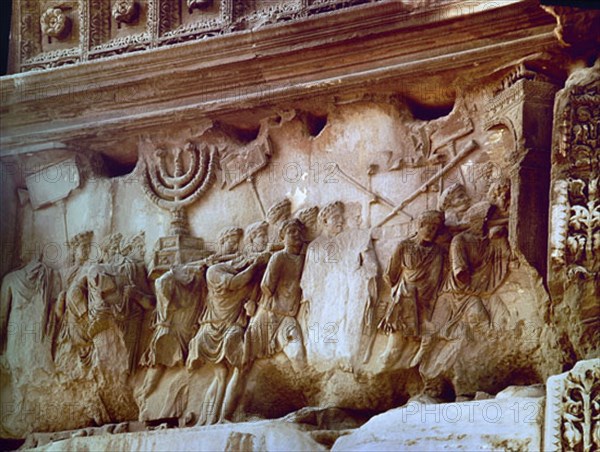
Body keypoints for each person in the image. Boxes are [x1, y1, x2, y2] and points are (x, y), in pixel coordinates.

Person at [186, 227, 269, 425]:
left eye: (236, 242)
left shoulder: (236, 266)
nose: (234, 245)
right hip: (212, 330)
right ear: (221, 244)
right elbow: (235, 282)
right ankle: (213, 419)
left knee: (229, 372)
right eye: (230, 242)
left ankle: (216, 418)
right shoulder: (215, 271)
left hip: (231, 326)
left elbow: (249, 289)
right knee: (221, 374)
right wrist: (255, 265)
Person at [378, 211, 445, 370]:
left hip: (423, 300)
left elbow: (434, 281)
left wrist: (423, 302)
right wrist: (396, 294)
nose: (431, 231)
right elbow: (390, 274)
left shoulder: (436, 252)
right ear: (420, 226)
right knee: (392, 351)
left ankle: (415, 362)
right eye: (428, 227)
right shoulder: (404, 246)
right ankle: (381, 374)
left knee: (426, 335)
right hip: (403, 300)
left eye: (435, 228)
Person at [244, 219, 307, 371]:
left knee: (298, 354)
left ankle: (302, 383)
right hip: (268, 315)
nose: (296, 234)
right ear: (282, 237)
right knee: (246, 361)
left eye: (299, 231)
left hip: (287, 316)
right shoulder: (278, 257)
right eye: (291, 232)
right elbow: (266, 287)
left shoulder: (305, 257)